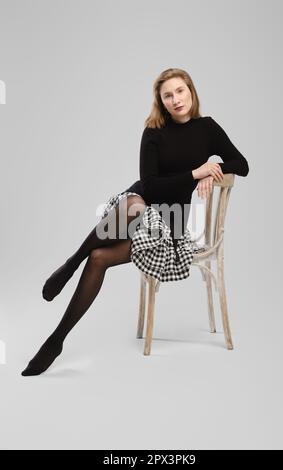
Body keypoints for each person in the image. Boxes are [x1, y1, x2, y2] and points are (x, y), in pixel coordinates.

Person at [21, 68, 249, 376]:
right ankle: (65, 289)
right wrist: (195, 174)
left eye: (180, 91)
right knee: (133, 203)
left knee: (99, 256)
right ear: (161, 101)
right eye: (168, 95)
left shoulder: (207, 129)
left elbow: (243, 164)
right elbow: (150, 185)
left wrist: (212, 167)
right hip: (135, 208)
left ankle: (59, 326)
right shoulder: (153, 131)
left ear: (191, 92)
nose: (175, 99)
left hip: (167, 225)